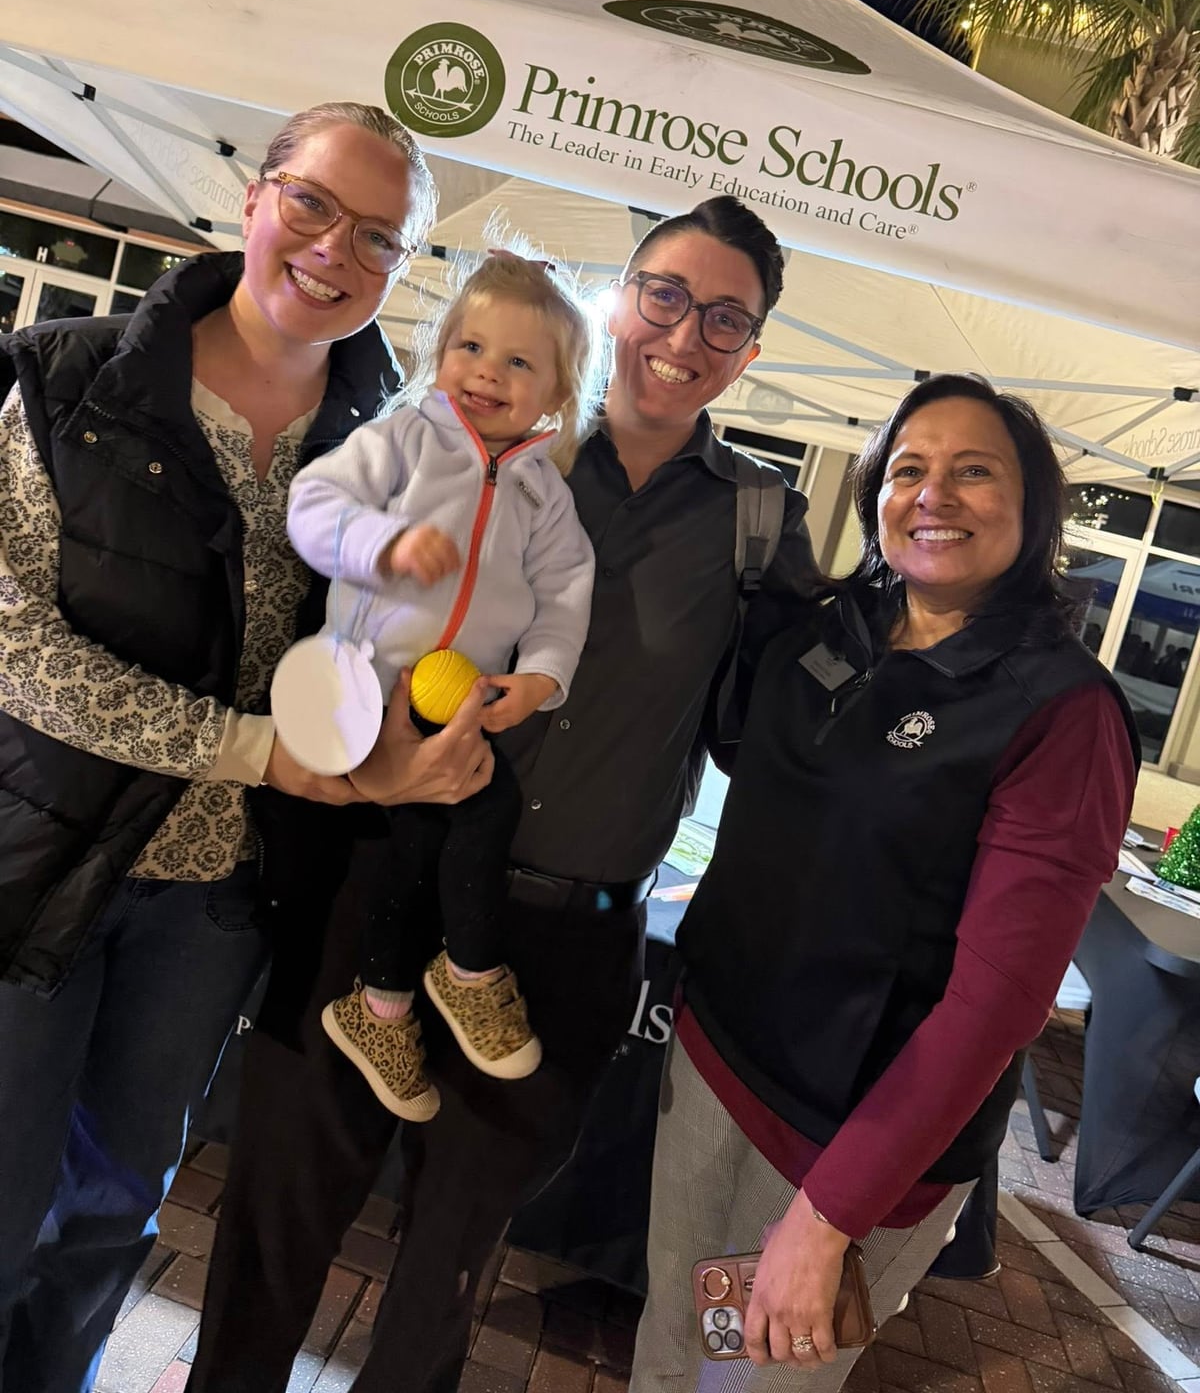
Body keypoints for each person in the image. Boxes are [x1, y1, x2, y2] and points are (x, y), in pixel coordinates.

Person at [186, 196, 824, 1393]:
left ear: (752, 350)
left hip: (564, 940)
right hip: (379, 883)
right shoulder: (474, 437)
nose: (684, 337)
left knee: (449, 1269)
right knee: (278, 1216)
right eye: (666, 296)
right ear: (619, 296)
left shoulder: (756, 522)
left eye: (726, 320)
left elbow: (766, 733)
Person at [0, 100, 493, 1393]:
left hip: (215, 910)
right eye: (315, 204)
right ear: (254, 199)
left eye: (380, 239)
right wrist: (256, 752)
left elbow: (407, 644)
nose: (335, 250)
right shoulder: (63, 379)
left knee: (109, 1214)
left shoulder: (399, 454)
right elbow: (17, 654)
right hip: (31, 871)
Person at [631, 374, 1139, 1393]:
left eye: (974, 472)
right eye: (910, 468)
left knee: (744, 1386)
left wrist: (829, 1217)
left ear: (1034, 509)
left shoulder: (1062, 714)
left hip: (841, 1144)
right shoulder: (834, 625)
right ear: (875, 496)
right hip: (716, 1060)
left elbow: (997, 1007)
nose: (934, 493)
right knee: (671, 1346)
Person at [280, 249, 600, 1115]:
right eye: (469, 347)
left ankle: (389, 1003)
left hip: (450, 704)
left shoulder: (544, 493)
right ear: (439, 352)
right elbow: (312, 506)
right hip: (357, 686)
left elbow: (567, 597)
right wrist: (381, 544)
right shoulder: (403, 437)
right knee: (450, 823)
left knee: (440, 834)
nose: (485, 373)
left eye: (518, 362)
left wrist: (539, 680)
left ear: (558, 398)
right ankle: (464, 971)